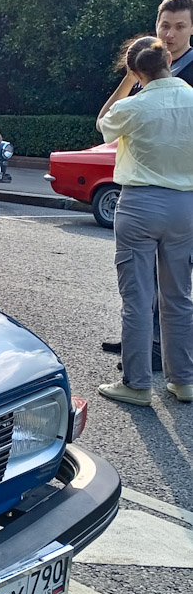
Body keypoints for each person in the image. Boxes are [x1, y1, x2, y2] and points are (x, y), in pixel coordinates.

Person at [95, 36, 193, 406]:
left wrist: (126, 82)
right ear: (169, 58)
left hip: (139, 203)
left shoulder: (135, 105)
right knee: (178, 295)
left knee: (137, 297)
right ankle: (182, 379)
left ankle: (137, 384)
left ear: (135, 71)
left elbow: (103, 122)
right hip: (185, 204)